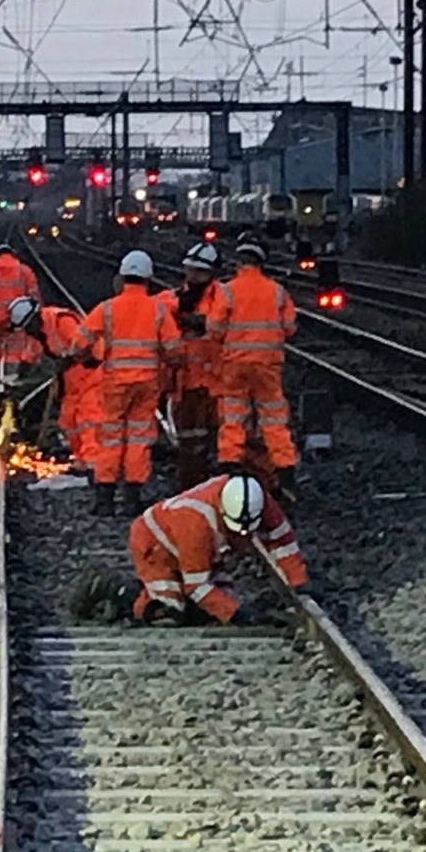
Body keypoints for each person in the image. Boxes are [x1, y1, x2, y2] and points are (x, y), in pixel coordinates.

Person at [129, 472, 307, 624]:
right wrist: (234, 614)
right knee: (170, 613)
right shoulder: (195, 522)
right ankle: (128, 597)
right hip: (157, 547)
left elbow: (282, 542)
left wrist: (298, 582)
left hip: (200, 547)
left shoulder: (261, 502)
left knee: (212, 608)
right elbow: (196, 585)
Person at [83, 250, 180, 516]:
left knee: (111, 437)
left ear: (122, 277)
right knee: (139, 438)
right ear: (148, 279)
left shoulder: (107, 309)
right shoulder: (159, 310)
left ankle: (104, 501)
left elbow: (80, 341)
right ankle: (132, 501)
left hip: (115, 384)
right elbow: (173, 350)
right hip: (147, 384)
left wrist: (85, 357)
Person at [206, 237, 299, 497]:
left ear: (240, 261)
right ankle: (285, 473)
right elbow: (290, 327)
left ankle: (229, 470)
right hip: (268, 365)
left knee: (233, 416)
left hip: (235, 363)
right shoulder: (277, 291)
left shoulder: (226, 290)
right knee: (273, 419)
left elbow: (214, 328)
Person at [157, 243, 230, 490]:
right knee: (190, 441)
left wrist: (197, 323)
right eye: (190, 269)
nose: (193, 275)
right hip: (186, 381)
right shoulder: (171, 298)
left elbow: (221, 325)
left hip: (218, 382)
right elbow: (157, 313)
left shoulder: (223, 297)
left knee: (224, 440)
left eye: (199, 271)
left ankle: (223, 486)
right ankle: (192, 488)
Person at [7, 295, 101, 474]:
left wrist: (67, 360)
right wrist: (18, 374)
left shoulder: (61, 322)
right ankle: (80, 457)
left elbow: (84, 346)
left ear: (35, 317)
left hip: (92, 373)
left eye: (28, 327)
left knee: (88, 417)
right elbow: (31, 353)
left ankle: (93, 462)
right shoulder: (38, 333)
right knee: (67, 420)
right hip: (72, 380)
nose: (27, 332)